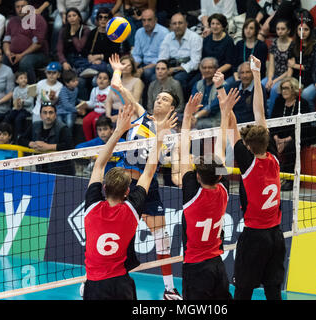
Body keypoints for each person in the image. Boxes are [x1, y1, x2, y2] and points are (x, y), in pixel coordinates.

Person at [82, 103, 177, 300]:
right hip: (121, 284)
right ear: (127, 191)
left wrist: (118, 131)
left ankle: (170, 288)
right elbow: (150, 172)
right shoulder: (131, 210)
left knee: (161, 237)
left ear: (104, 188)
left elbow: (99, 164)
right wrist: (159, 137)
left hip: (95, 285)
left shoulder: (91, 208)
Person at [108, 53, 183, 300]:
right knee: (111, 236)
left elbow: (161, 157)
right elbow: (117, 86)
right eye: (158, 97)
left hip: (147, 187)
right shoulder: (140, 114)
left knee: (162, 240)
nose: (159, 100)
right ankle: (94, 280)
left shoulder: (172, 134)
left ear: (172, 108)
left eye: (165, 99)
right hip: (122, 185)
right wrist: (118, 70)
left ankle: (170, 289)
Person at [222, 55, 285, 300]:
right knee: (272, 289)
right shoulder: (274, 159)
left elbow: (231, 127)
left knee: (243, 290)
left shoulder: (248, 165)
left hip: (254, 236)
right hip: (276, 236)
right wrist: (257, 75)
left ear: (248, 146)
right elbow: (261, 114)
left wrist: (225, 105)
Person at [178, 90, 233, 300]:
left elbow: (184, 151)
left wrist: (187, 116)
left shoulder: (192, 195)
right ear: (219, 176)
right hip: (217, 265)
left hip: (195, 267)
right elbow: (221, 151)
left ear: (198, 176)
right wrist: (225, 113)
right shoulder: (224, 189)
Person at [269, 77, 315, 191]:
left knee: (291, 147)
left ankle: (290, 179)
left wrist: (286, 140)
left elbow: (305, 126)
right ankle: (271, 177)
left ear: (294, 89)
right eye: (282, 88)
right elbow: (273, 121)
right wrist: (276, 138)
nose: (283, 91)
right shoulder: (279, 101)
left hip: (298, 134)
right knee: (267, 142)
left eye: (286, 88)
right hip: (279, 135)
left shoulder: (302, 103)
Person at [18, 101, 76, 176]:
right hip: (41, 170)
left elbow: (69, 146)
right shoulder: (35, 126)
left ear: (55, 115)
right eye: (45, 113)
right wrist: (33, 144)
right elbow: (20, 140)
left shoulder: (63, 128)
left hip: (62, 172)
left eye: (51, 112)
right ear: (41, 115)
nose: (48, 116)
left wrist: (48, 147)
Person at [2, 0, 49, 84]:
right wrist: (8, 53)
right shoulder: (12, 21)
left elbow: (37, 44)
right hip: (15, 54)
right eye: (18, 7)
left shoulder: (37, 19)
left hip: (37, 54)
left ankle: (31, 90)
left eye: (23, 6)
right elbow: (6, 40)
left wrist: (21, 55)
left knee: (25, 62)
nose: (20, 9)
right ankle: (8, 90)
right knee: (3, 59)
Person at [158, 12, 203, 97]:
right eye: (174, 23)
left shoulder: (194, 37)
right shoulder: (168, 37)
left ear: (186, 24)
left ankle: (180, 105)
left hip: (189, 69)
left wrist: (174, 69)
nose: (177, 26)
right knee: (154, 76)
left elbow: (195, 63)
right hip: (171, 66)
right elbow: (162, 57)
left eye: (180, 23)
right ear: (170, 26)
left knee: (178, 79)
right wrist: (163, 69)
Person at [80, 7, 130, 78]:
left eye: (105, 18)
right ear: (97, 19)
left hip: (107, 63)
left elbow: (114, 54)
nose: (103, 20)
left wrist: (99, 57)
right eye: (100, 17)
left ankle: (90, 70)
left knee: (104, 68)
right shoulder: (93, 33)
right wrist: (90, 57)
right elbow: (85, 50)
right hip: (93, 62)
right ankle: (91, 69)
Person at [262, 19, 293, 118]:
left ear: (288, 30)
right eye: (278, 29)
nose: (280, 31)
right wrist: (270, 79)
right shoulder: (274, 43)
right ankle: (261, 115)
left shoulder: (293, 44)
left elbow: (290, 69)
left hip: (287, 76)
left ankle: (271, 118)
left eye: (283, 29)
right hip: (274, 75)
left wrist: (275, 81)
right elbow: (271, 64)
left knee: (275, 89)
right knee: (261, 84)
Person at [131, 8, 169, 85]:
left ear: (155, 20)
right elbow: (136, 55)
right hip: (143, 63)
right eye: (143, 20)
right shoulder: (139, 32)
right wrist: (132, 67)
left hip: (158, 65)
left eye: (149, 20)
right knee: (126, 70)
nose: (146, 23)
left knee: (147, 73)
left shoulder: (164, 33)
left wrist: (142, 69)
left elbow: (162, 59)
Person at [105, 55, 144, 123]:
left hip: (129, 114)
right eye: (122, 64)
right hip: (113, 112)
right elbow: (108, 101)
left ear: (132, 67)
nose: (125, 67)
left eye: (128, 65)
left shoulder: (137, 81)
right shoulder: (116, 81)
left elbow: (135, 103)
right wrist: (108, 116)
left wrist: (119, 116)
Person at [190, 57, 223, 129]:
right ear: (200, 69)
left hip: (216, 120)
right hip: (198, 118)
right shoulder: (198, 84)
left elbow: (212, 107)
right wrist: (191, 117)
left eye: (210, 68)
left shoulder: (222, 85)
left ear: (216, 69)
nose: (207, 70)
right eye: (204, 68)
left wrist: (195, 116)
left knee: (196, 125)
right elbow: (193, 103)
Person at [287, 16, 316, 90]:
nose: (302, 32)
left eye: (306, 29)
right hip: (295, 78)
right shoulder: (293, 44)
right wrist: (288, 80)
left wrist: (294, 65)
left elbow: (309, 67)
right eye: (300, 29)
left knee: (303, 94)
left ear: (311, 31)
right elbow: (290, 65)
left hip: (310, 78)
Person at [201, 13, 235, 80]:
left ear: (223, 26)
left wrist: (214, 73)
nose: (215, 26)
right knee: (195, 84)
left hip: (223, 73)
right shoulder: (206, 40)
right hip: (207, 71)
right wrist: (204, 72)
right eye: (212, 24)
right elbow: (203, 60)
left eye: (218, 24)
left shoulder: (228, 41)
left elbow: (229, 64)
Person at [80, 71, 111, 141]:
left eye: (105, 78)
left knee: (96, 122)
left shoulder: (110, 90)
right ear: (96, 80)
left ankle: (97, 141)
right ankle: (89, 140)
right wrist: (85, 104)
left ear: (109, 82)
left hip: (104, 112)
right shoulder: (94, 90)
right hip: (95, 111)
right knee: (86, 120)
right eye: (99, 78)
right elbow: (92, 103)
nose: (102, 80)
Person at [4, 71, 34, 143]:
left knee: (18, 119)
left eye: (25, 78)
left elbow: (30, 101)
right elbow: (14, 99)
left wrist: (23, 102)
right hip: (17, 109)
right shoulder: (16, 89)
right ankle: (7, 135)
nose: (24, 80)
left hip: (27, 110)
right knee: (8, 117)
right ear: (17, 81)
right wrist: (17, 103)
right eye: (21, 78)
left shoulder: (30, 88)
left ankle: (18, 137)